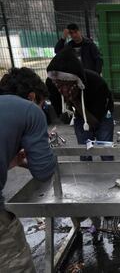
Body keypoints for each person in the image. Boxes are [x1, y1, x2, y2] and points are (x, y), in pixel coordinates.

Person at [0, 67, 57, 272]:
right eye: (41, 105)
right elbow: (43, 172)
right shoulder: (28, 109)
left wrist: (13, 159)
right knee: (15, 262)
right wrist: (42, 149)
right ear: (32, 97)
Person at [47, 47, 115, 161]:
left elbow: (95, 122)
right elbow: (64, 118)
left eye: (63, 84)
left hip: (102, 114)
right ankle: (87, 175)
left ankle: (109, 174)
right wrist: (67, 102)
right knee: (84, 151)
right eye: (56, 84)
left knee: (105, 150)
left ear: (75, 81)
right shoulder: (52, 84)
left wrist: (75, 100)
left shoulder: (97, 83)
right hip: (80, 114)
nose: (59, 89)